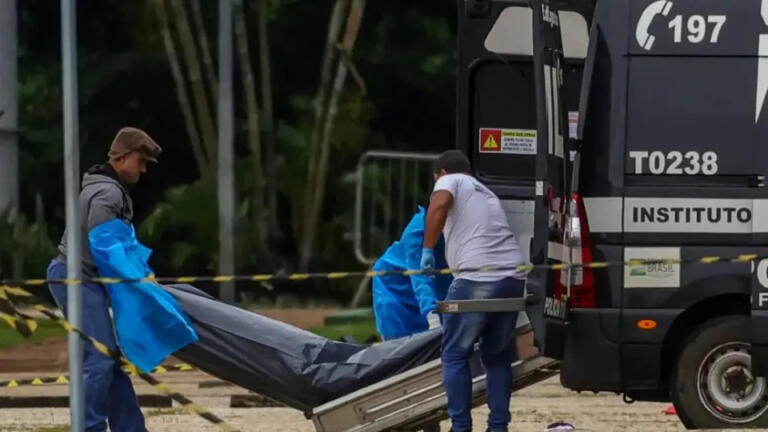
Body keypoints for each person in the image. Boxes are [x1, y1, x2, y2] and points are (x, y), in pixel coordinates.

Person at [47, 127, 161, 432]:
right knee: (99, 360)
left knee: (109, 360)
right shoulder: (107, 193)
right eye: (141, 161)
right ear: (122, 157)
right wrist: (137, 282)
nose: (143, 169)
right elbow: (105, 246)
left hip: (81, 276)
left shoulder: (105, 187)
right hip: (76, 277)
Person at [421, 150, 526, 432]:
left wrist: (428, 249)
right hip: (513, 279)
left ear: (442, 173)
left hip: (477, 278)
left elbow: (439, 205)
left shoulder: (449, 180)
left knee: (455, 355)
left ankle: (461, 427)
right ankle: (498, 427)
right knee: (497, 356)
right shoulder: (485, 191)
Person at [372, 206, 453, 341]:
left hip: (437, 287)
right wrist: (432, 315)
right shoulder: (416, 231)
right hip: (395, 288)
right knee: (400, 345)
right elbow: (419, 277)